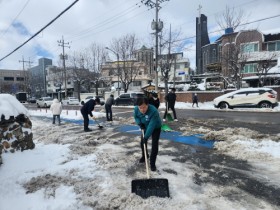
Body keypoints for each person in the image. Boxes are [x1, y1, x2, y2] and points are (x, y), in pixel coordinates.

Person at [134, 97, 162, 171]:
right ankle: (145, 156)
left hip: (156, 127)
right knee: (142, 143)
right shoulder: (136, 109)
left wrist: (146, 137)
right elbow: (136, 117)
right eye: (140, 108)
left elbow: (151, 125)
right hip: (145, 126)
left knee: (154, 144)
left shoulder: (154, 111)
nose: (142, 110)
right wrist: (140, 123)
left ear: (148, 105)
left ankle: (152, 163)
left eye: (144, 107)